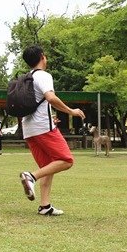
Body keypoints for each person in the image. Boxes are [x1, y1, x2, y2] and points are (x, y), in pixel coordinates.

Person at [17, 45, 85, 216]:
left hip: (29, 129)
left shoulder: (26, 78)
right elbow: (51, 97)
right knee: (66, 160)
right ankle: (30, 176)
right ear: (42, 57)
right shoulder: (44, 76)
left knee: (48, 166)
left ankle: (45, 206)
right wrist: (71, 111)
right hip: (43, 128)